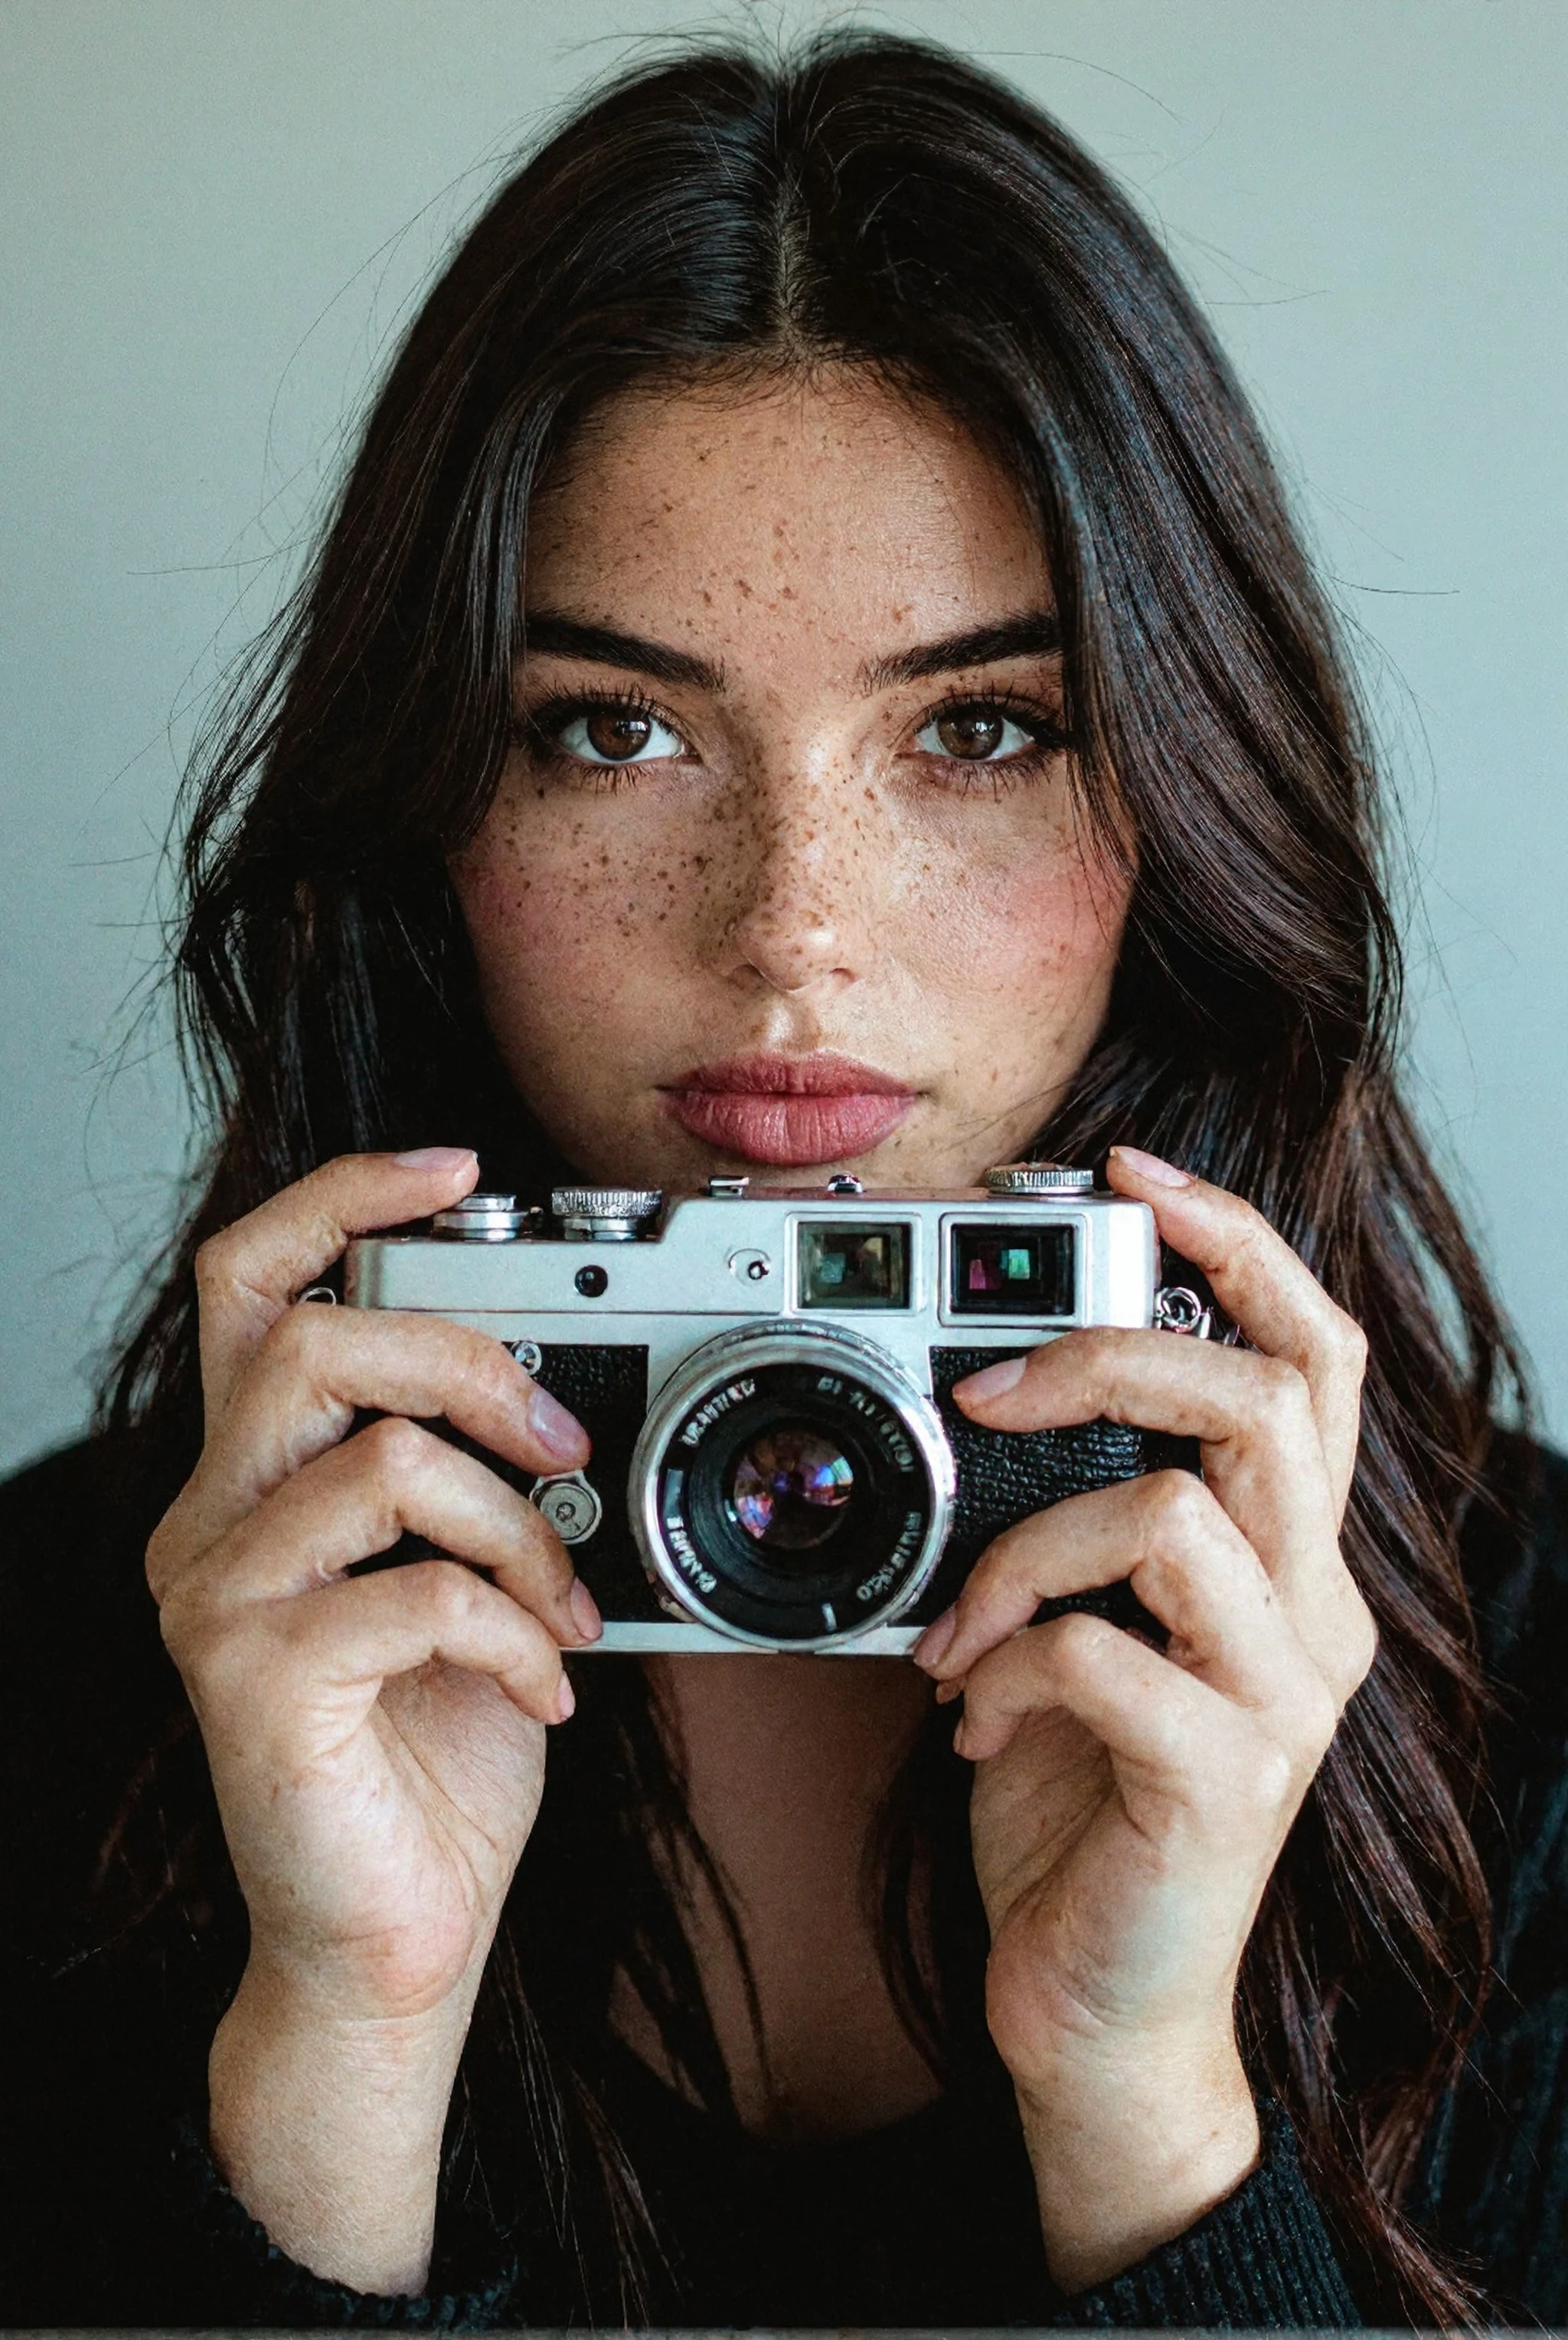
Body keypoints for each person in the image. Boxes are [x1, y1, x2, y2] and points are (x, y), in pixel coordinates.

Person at [3, 31, 1565, 2329]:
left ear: (1190, 804)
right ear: (434, 801)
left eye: (982, 727)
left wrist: (1142, 2101)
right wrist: (334, 2050)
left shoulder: (1526, 1713)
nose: (792, 928)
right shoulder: (76, 1656)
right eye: (612, 729)